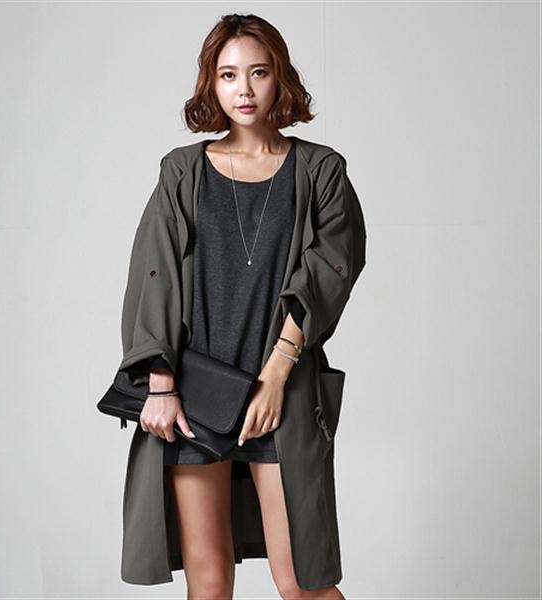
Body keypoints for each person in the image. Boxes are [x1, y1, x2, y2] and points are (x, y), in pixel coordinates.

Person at [117, 13, 367, 599]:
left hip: (278, 392)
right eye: (228, 75)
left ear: (281, 78)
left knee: (301, 581)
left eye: (259, 72)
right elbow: (153, 274)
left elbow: (331, 272)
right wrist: (160, 384)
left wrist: (276, 376)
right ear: (211, 83)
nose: (244, 89)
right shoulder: (182, 171)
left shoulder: (320, 170)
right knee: (208, 583)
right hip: (196, 396)